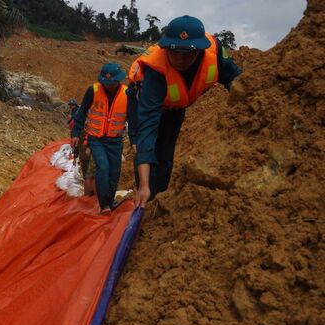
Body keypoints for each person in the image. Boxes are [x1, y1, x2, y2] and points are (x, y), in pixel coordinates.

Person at [128, 15, 242, 207]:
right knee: (145, 146)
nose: (180, 59)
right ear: (166, 48)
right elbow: (147, 127)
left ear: (199, 50)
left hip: (175, 108)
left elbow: (237, 79)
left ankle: (158, 197)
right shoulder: (156, 72)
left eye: (188, 53)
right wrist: (144, 185)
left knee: (165, 154)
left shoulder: (214, 53)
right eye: (174, 52)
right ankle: (145, 196)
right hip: (142, 103)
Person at [71, 62, 130, 215]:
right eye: (106, 83)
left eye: (113, 83)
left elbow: (134, 121)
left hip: (115, 140)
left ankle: (110, 201)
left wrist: (136, 140)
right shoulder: (93, 91)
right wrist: (76, 134)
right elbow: (82, 113)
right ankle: (105, 205)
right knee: (102, 167)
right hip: (96, 139)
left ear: (119, 81)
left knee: (114, 171)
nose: (109, 86)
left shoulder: (127, 94)